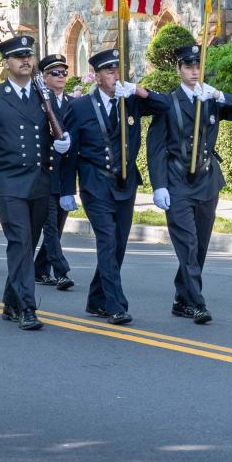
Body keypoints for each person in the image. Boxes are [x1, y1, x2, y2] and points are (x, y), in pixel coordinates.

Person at [0, 36, 72, 331]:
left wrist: (61, 144)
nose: (25, 60)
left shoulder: (41, 95)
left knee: (28, 244)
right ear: (6, 62)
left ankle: (10, 301)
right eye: (18, 56)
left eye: (28, 55)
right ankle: (26, 307)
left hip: (39, 179)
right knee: (20, 241)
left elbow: (55, 129)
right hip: (7, 181)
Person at [60, 48, 168, 326]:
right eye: (109, 71)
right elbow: (70, 151)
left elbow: (165, 106)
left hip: (125, 183)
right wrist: (66, 189)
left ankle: (96, 298)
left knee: (118, 244)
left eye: (118, 71)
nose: (115, 76)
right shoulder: (80, 106)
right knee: (107, 241)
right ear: (96, 77)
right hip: (95, 183)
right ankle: (114, 304)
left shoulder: (129, 101)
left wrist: (138, 91)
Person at [146, 44, 232, 324]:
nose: (194, 71)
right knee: (188, 244)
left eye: (198, 66)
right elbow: (155, 147)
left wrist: (218, 94)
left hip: (206, 181)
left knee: (201, 245)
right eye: (189, 66)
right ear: (178, 69)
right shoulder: (168, 103)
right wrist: (159, 185)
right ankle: (197, 302)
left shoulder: (210, 99)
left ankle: (182, 299)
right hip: (178, 182)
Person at [33, 55, 76, 290]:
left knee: (57, 227)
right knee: (49, 226)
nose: (61, 77)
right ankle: (61, 271)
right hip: (44, 172)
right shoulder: (38, 102)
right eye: (55, 73)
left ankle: (40, 268)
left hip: (64, 175)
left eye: (63, 73)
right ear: (44, 77)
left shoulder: (71, 102)